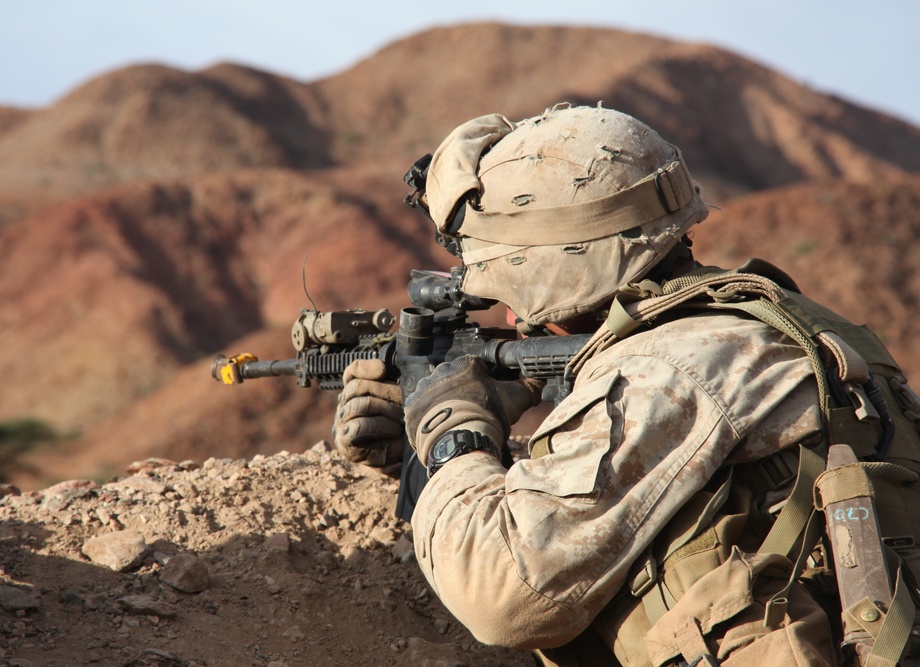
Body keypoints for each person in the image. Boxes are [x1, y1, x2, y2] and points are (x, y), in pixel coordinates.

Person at [332, 103, 920, 666]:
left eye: (512, 291)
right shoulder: (777, 318)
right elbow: (669, 501)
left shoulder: (670, 367)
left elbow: (506, 594)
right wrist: (444, 463)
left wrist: (450, 435)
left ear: (560, 272)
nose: (514, 320)